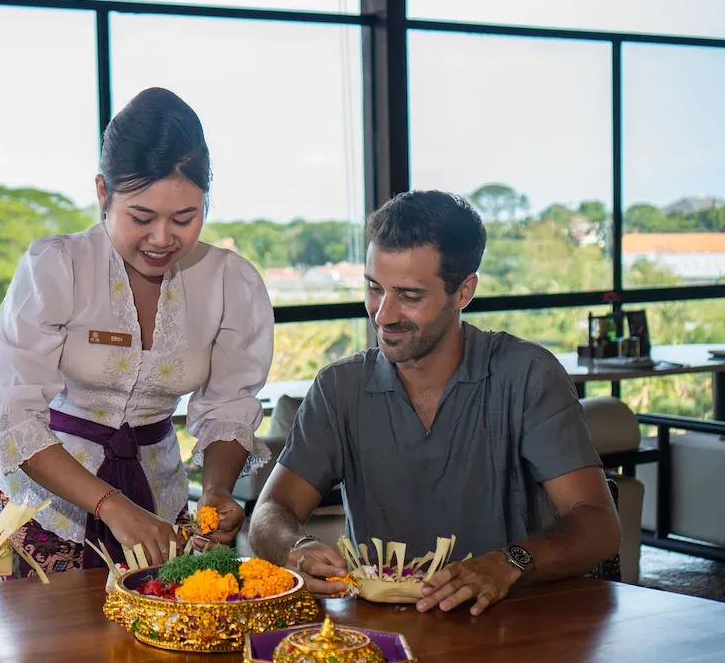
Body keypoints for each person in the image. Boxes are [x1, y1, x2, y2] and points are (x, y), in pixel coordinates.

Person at [248, 190, 620, 616]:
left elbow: (598, 524)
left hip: (510, 625)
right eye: (374, 288)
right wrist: (297, 547)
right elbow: (270, 513)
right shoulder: (339, 388)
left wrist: (510, 563)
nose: (383, 315)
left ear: (463, 292)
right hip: (382, 633)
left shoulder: (529, 375)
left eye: (409, 296)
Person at [0, 87, 274, 575]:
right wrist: (112, 506)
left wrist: (217, 489)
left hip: (160, 502)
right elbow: (12, 411)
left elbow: (228, 404)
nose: (162, 239)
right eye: (141, 217)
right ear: (103, 193)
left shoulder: (230, 282)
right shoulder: (57, 266)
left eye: (185, 218)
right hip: (47, 507)